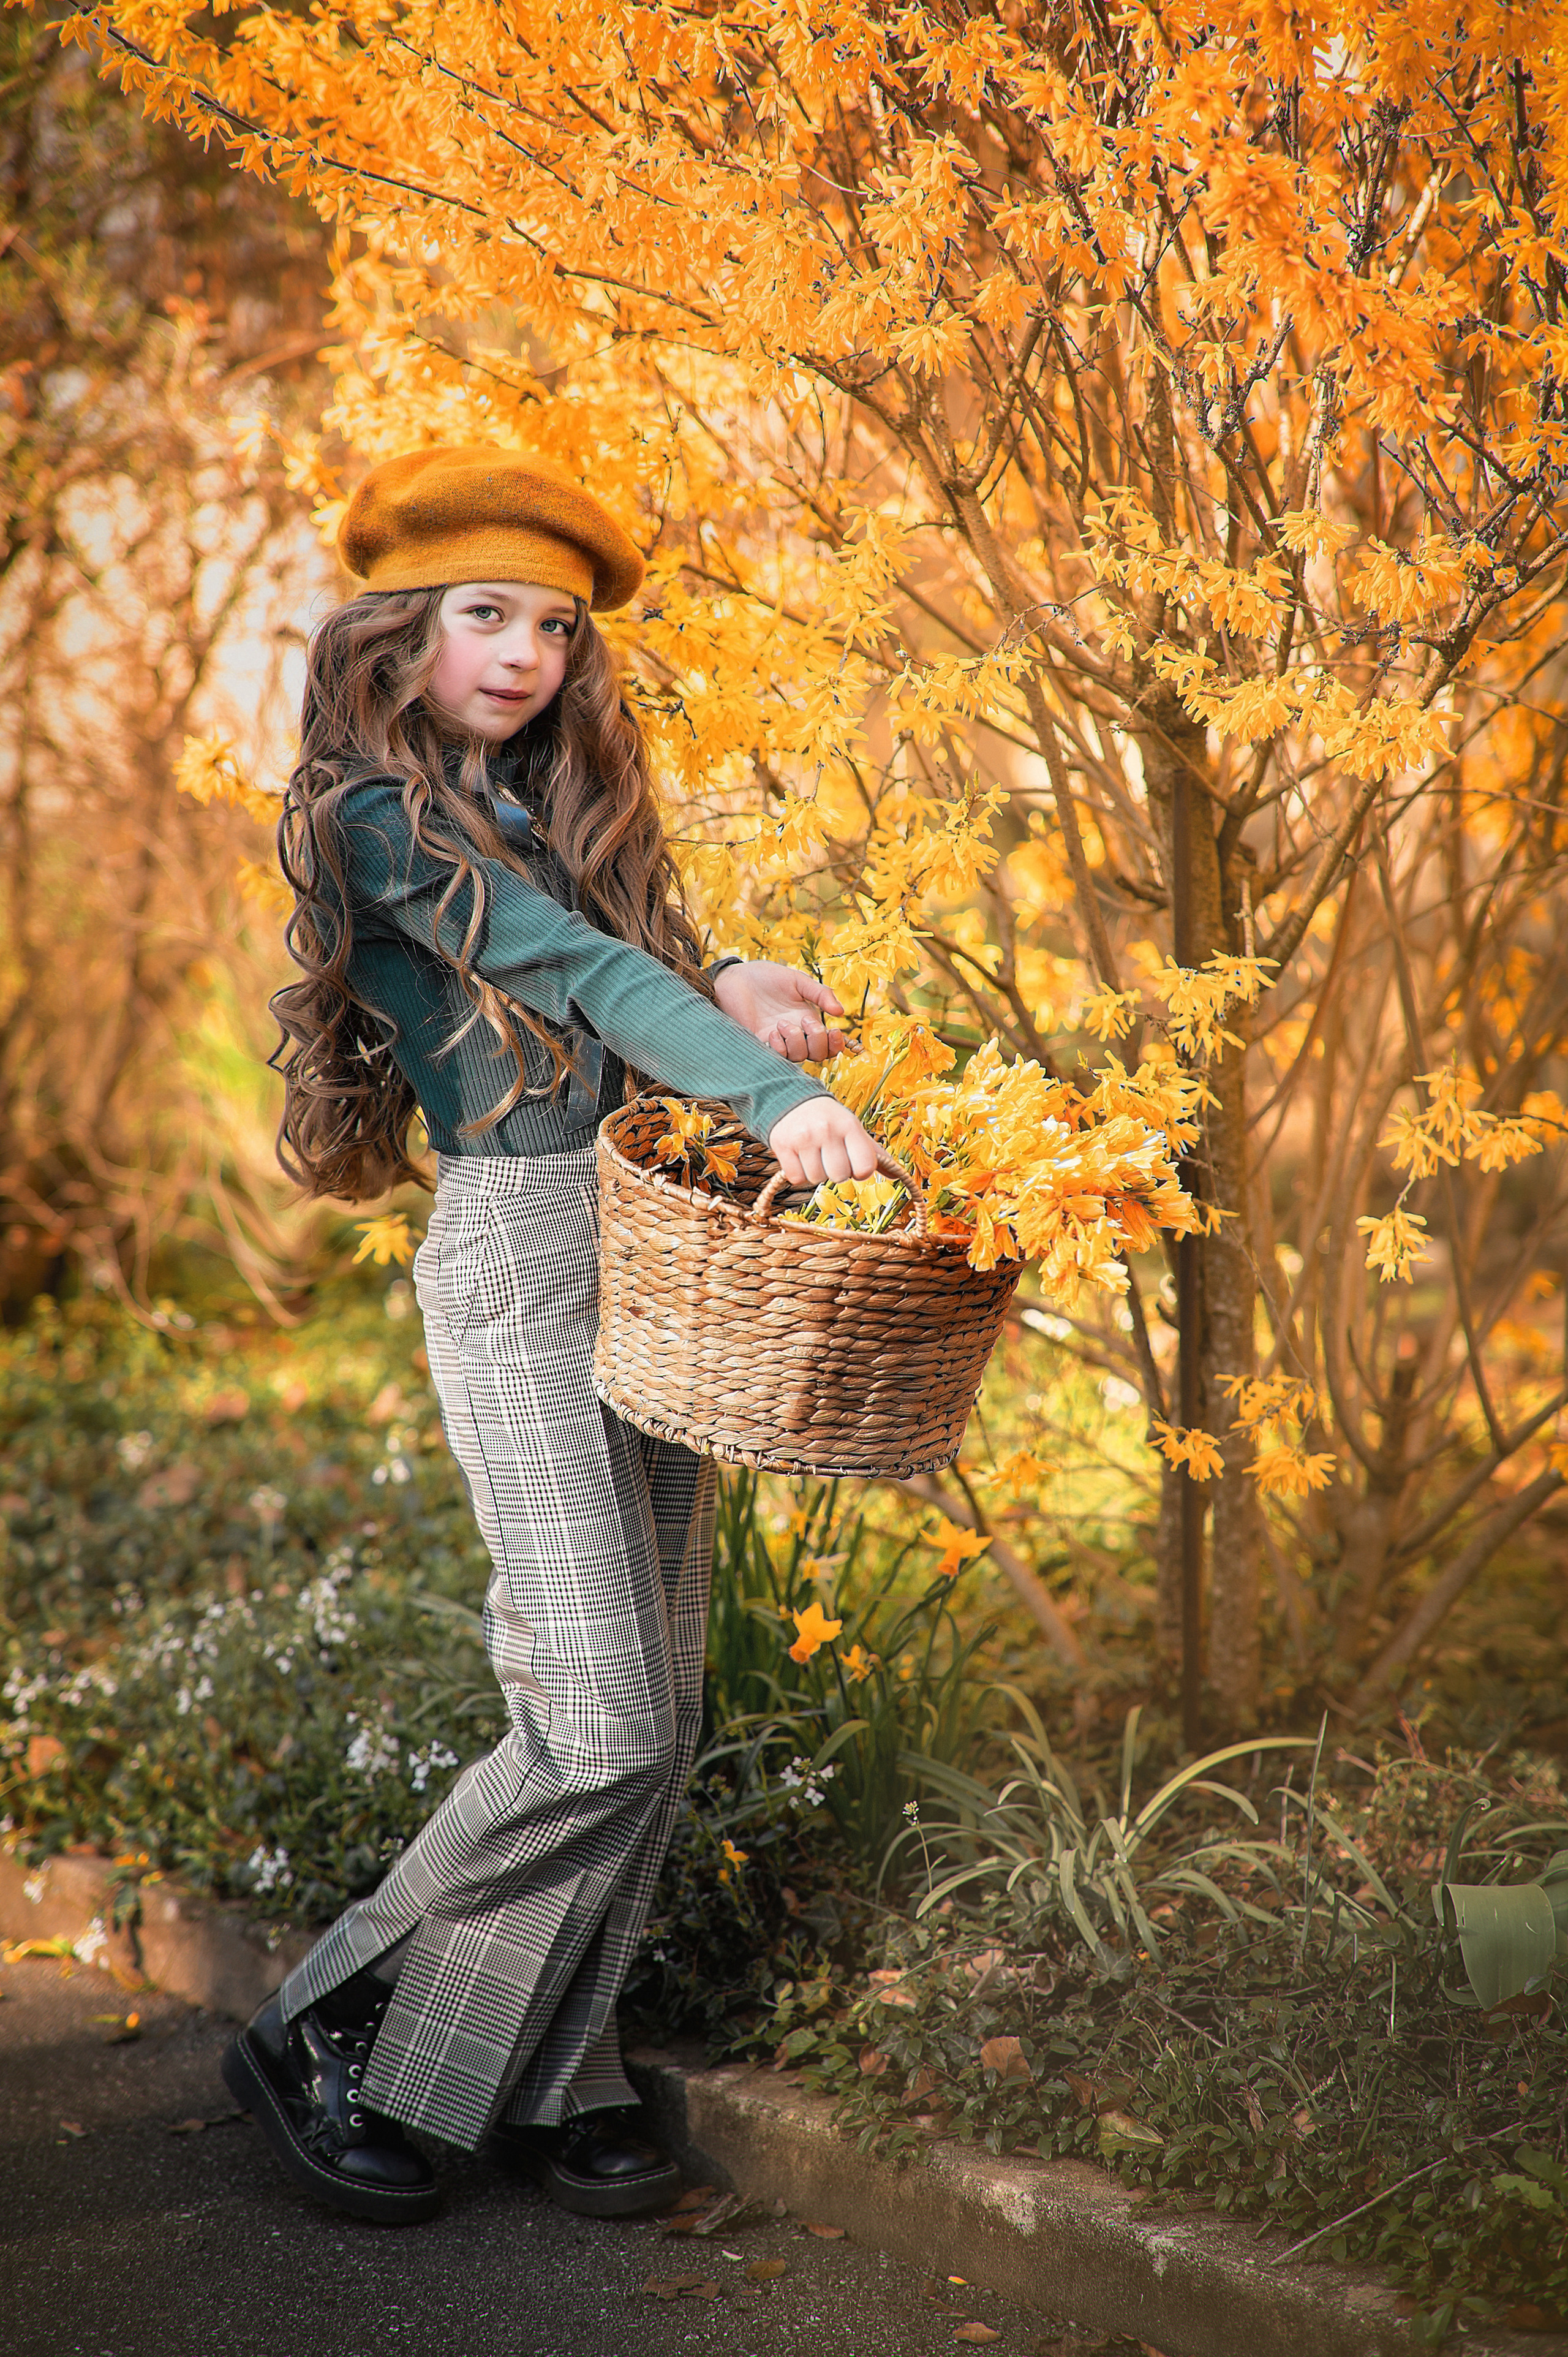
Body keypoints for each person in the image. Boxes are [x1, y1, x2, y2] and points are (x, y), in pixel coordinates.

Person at [221, 446, 882, 2225]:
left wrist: (731, 985)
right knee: (592, 1716)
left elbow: (620, 961)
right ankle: (327, 2015)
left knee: (658, 1715)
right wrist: (768, 1095)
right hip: (520, 1257)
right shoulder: (371, 817)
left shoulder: (549, 807)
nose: (524, 653)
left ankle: (545, 2074)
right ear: (399, 631)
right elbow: (571, 974)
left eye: (556, 628)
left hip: (653, 1252)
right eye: (485, 615)